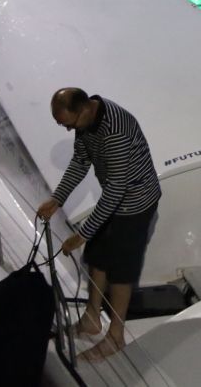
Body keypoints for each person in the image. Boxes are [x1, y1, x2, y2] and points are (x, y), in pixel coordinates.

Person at [38, 88, 161, 362]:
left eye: (68, 123)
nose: (68, 129)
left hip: (135, 203)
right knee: (97, 256)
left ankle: (115, 337)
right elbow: (80, 162)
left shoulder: (115, 131)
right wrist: (57, 199)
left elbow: (117, 189)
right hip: (116, 198)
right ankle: (91, 320)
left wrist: (80, 235)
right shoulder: (86, 123)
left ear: (83, 110)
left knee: (120, 270)